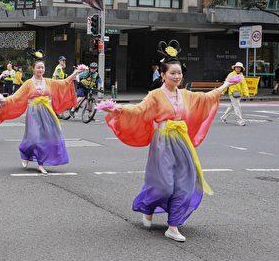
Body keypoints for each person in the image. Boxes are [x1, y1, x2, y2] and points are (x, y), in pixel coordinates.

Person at [101, 40, 241, 242]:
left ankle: (173, 225)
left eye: (179, 73)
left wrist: (226, 85)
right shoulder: (155, 95)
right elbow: (139, 110)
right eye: (172, 73)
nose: (177, 76)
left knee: (186, 182)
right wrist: (118, 109)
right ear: (163, 74)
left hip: (182, 142)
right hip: (162, 143)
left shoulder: (185, 95)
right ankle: (148, 207)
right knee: (164, 185)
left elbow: (206, 98)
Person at [0, 50, 82, 174]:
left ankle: (41, 163)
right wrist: (4, 100)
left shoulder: (48, 81)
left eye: (42, 67)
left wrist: (75, 73)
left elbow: (64, 83)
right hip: (34, 113)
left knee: (53, 135)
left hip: (47, 112)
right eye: (38, 67)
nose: (40, 69)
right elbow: (16, 96)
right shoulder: (28, 83)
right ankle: (25, 152)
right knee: (35, 138)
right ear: (33, 69)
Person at [221, 62, 250, 126]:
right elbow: (226, 83)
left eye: (239, 67)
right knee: (237, 107)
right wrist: (223, 91)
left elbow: (244, 85)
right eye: (237, 67)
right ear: (234, 68)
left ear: (241, 69)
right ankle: (240, 121)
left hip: (239, 94)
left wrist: (246, 93)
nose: (238, 68)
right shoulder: (231, 74)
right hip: (232, 93)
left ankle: (223, 118)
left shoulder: (241, 76)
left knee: (232, 107)